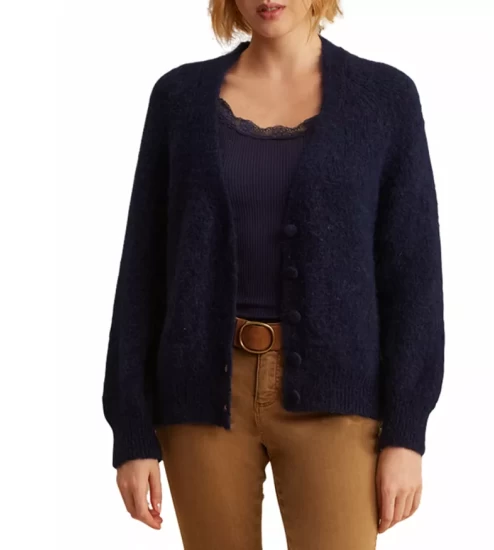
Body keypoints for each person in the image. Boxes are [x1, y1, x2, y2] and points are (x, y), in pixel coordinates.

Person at [102, 1, 445, 548]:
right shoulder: (178, 98)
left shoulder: (386, 99)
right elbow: (142, 267)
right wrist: (131, 430)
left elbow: (414, 276)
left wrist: (407, 432)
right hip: (201, 397)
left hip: (337, 399)